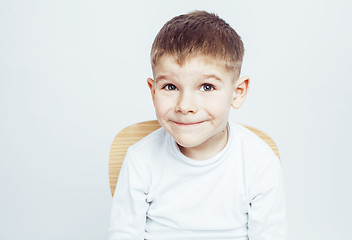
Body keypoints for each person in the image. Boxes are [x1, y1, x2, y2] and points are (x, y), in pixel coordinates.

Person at [108, 10, 286, 240]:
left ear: (237, 92)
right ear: (153, 92)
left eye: (207, 87)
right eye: (170, 87)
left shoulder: (259, 162)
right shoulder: (140, 159)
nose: (185, 106)